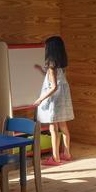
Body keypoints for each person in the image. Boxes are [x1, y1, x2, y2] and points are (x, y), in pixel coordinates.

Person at [34, 36, 74, 166]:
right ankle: (67, 154)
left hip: (54, 100)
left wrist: (40, 99)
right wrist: (41, 71)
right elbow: (56, 80)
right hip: (63, 98)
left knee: (53, 128)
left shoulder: (52, 67)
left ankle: (55, 158)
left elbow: (54, 86)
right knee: (63, 126)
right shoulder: (60, 65)